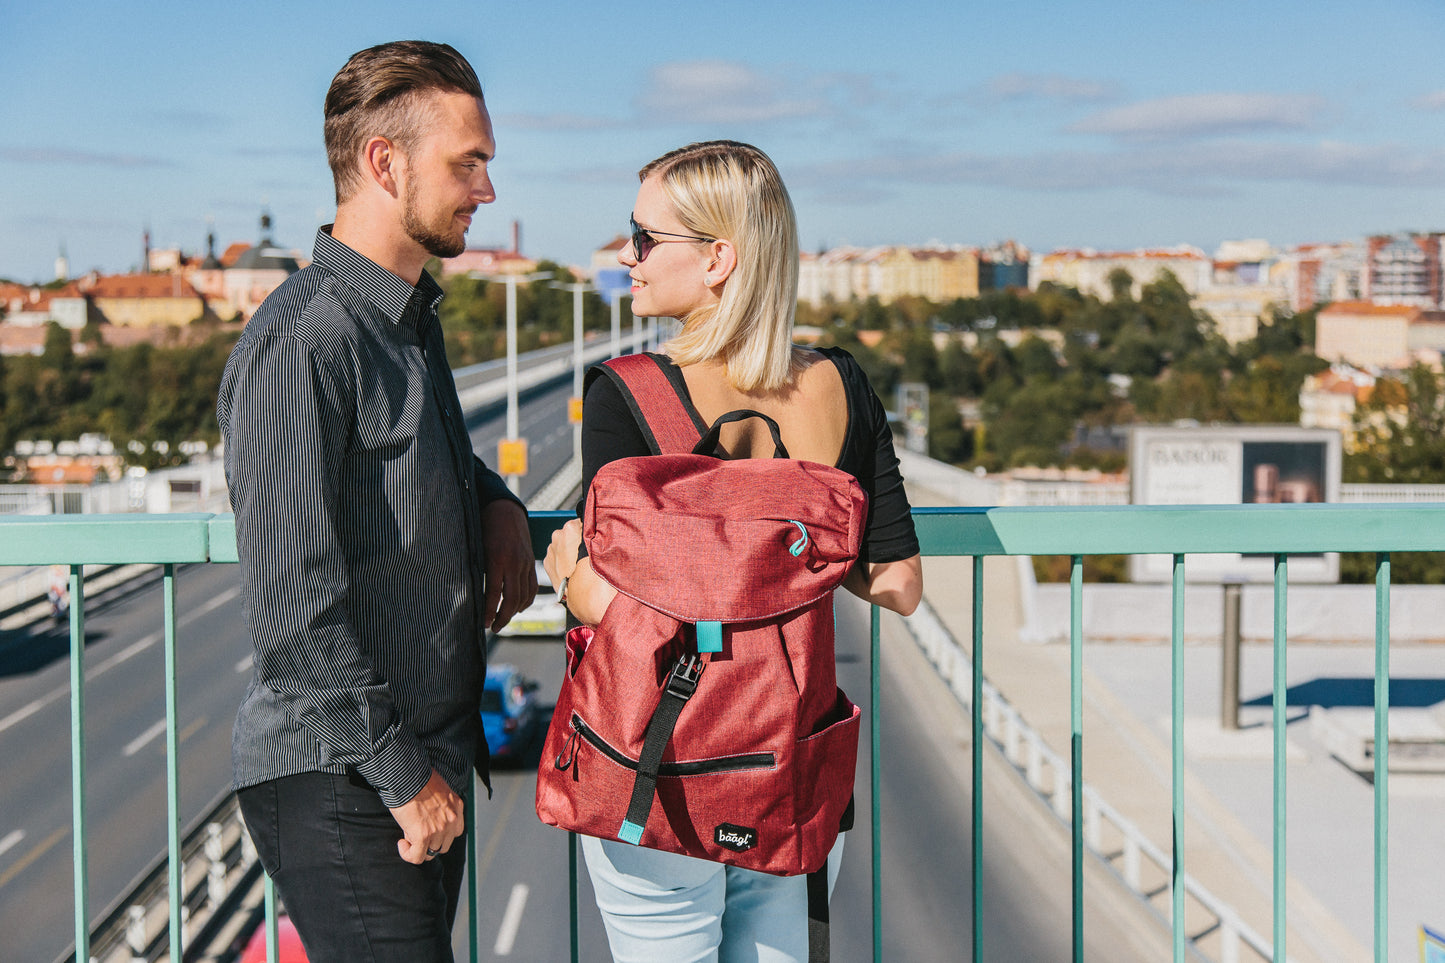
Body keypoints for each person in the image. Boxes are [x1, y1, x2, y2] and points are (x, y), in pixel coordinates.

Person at [543, 140, 922, 962]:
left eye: (644, 238)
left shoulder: (629, 391)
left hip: (662, 768)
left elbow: (617, 608)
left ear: (718, 258)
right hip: (793, 761)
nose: (625, 256)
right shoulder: (840, 384)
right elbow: (895, 583)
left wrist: (565, 574)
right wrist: (786, 549)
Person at [217, 41, 537, 962]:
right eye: (465, 163)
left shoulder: (404, 323)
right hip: (345, 777)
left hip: (411, 765)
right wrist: (404, 779)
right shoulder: (302, 342)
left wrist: (498, 500)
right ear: (382, 162)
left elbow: (419, 464)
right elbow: (291, 612)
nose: (484, 190)